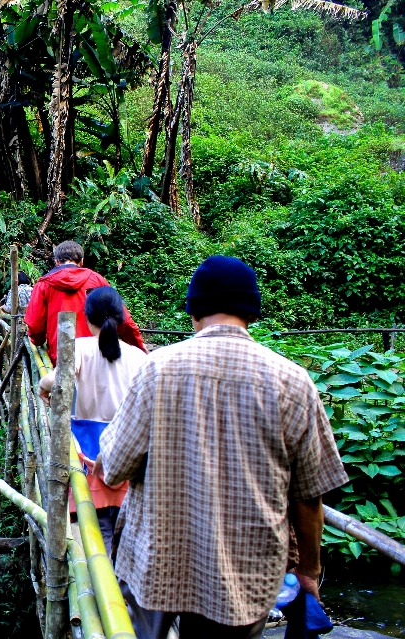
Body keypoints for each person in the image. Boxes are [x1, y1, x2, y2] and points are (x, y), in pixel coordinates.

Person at [95, 256, 348, 639]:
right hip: (245, 574)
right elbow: (309, 496)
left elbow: (113, 466)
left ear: (194, 311)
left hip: (158, 561)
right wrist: (308, 572)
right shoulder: (294, 382)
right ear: (252, 312)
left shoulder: (156, 370)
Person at [37, 287, 146, 551]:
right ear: (121, 318)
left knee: (99, 530)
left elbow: (55, 380)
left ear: (87, 317)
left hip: (88, 449)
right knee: (125, 529)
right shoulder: (139, 357)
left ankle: (100, 586)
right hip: (126, 450)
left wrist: (42, 385)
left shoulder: (81, 348)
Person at [25, 240, 145, 365]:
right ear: (82, 261)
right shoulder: (97, 279)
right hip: (97, 355)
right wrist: (139, 346)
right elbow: (122, 317)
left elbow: (35, 324)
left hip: (62, 358)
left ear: (56, 262)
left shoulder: (44, 284)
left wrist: (38, 341)